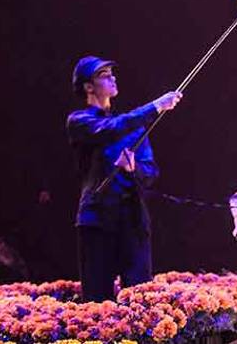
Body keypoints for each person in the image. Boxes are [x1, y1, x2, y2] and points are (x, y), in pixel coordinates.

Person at [67, 57, 181, 301]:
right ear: (88, 86)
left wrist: (134, 168)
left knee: (139, 297)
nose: (113, 78)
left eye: (112, 73)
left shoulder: (135, 127)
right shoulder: (79, 121)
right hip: (96, 219)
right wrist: (155, 107)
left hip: (133, 219)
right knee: (97, 299)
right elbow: (110, 129)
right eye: (104, 75)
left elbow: (150, 172)